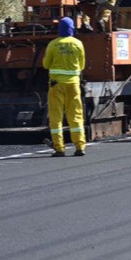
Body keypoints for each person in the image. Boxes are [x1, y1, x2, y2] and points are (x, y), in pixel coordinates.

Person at [42, 16, 86, 157]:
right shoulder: (78, 44)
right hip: (73, 84)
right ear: (72, 28)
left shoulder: (53, 44)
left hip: (56, 85)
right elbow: (82, 65)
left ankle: (59, 148)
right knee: (76, 115)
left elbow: (46, 65)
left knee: (56, 116)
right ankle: (80, 147)